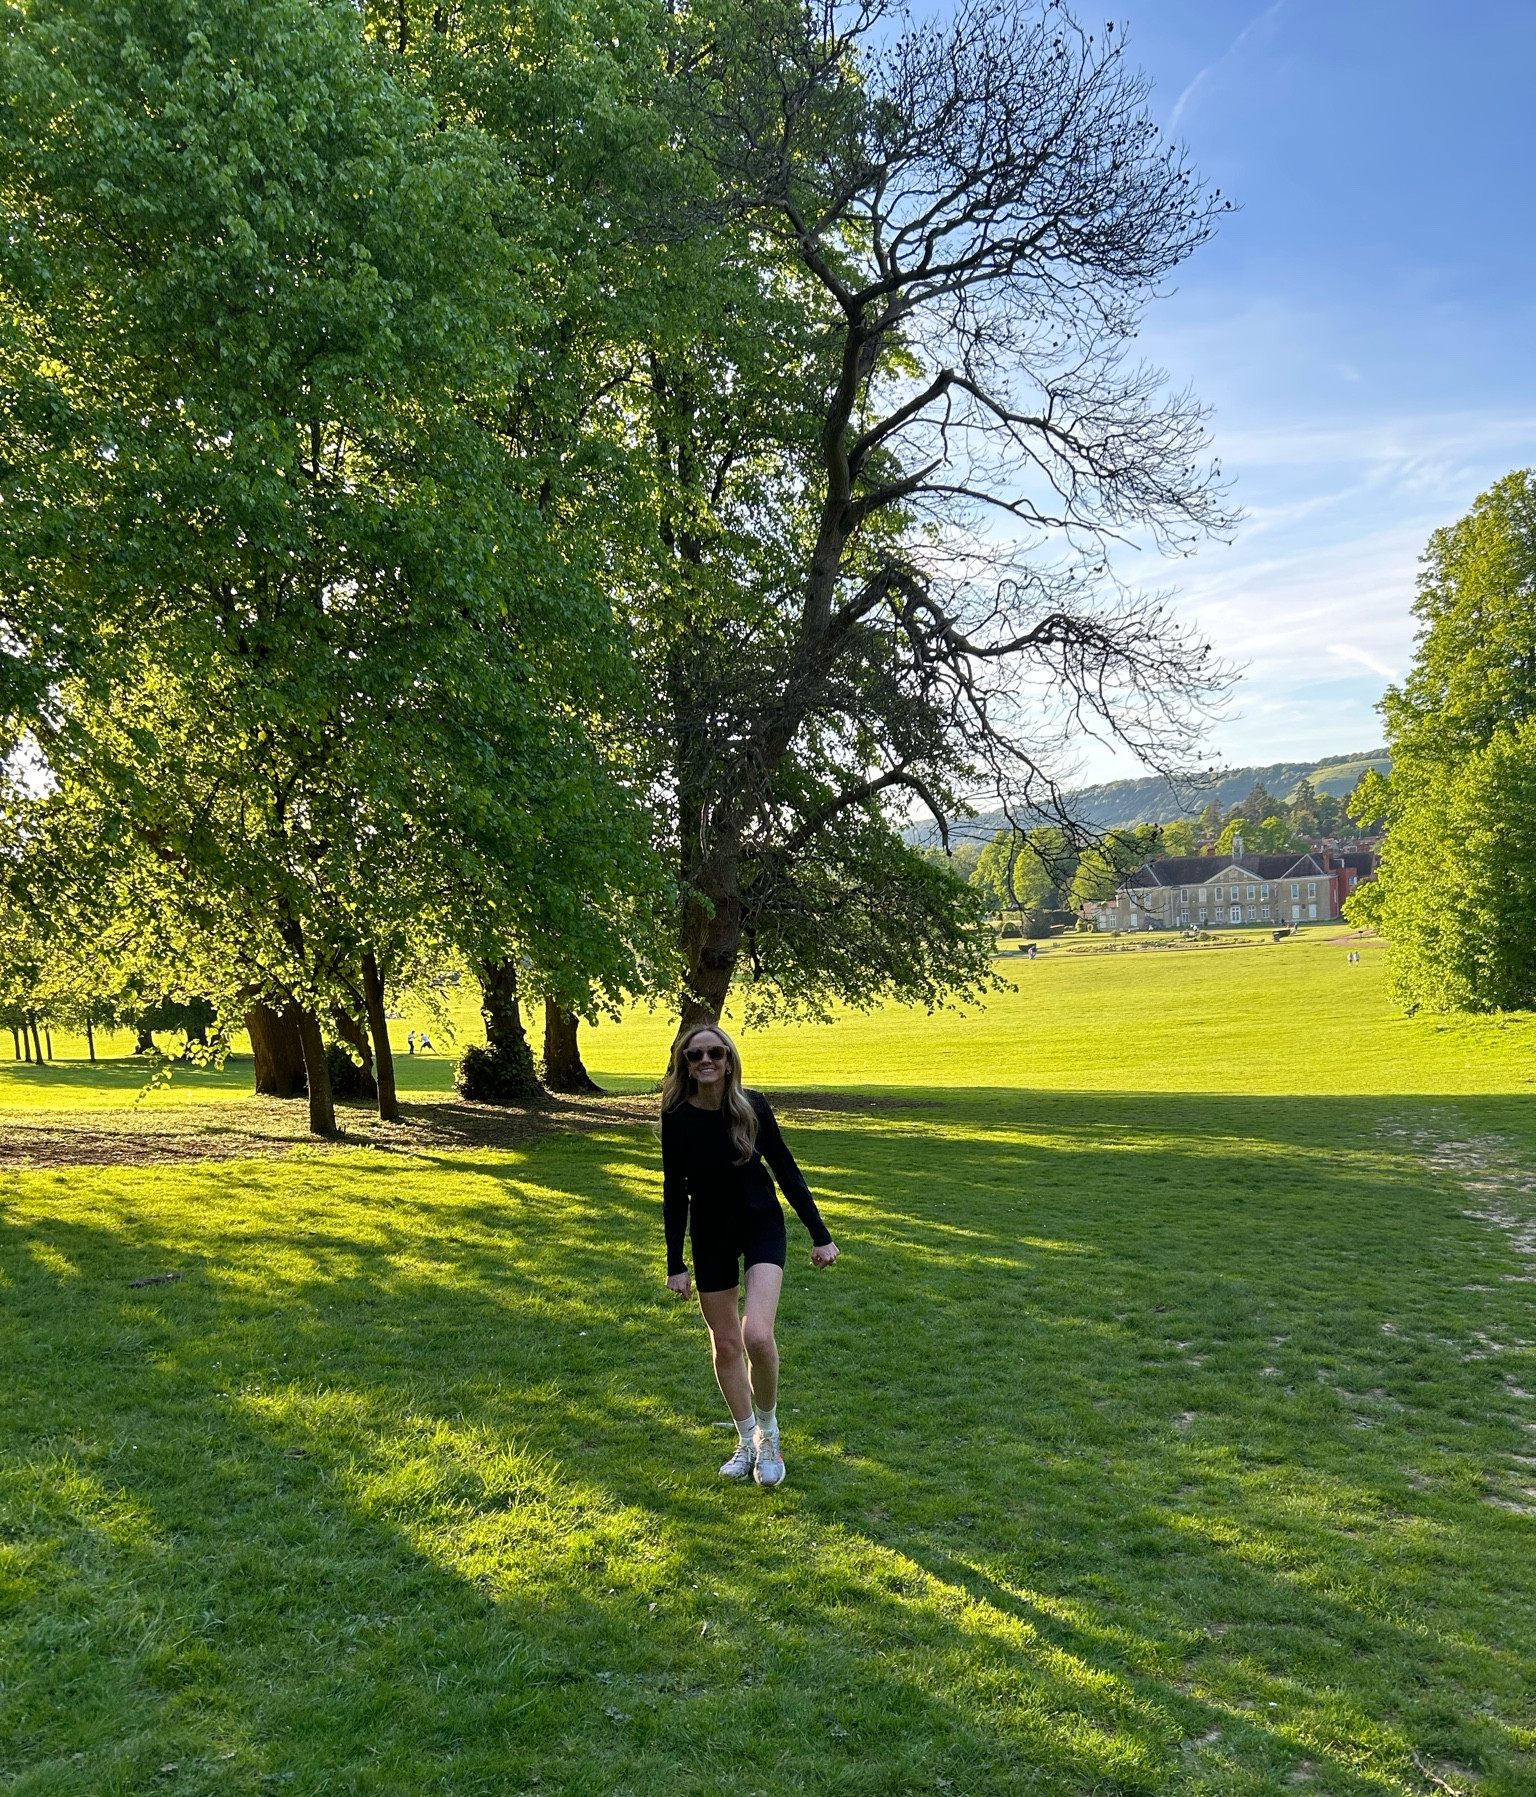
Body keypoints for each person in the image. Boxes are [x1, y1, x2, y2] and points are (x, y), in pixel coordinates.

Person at [660, 1023, 839, 1487]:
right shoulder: (676, 1115)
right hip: (709, 1235)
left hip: (761, 1225)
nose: (706, 1061)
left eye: (715, 1053)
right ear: (685, 1062)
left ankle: (769, 1437)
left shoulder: (752, 1106)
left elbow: (786, 1170)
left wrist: (820, 1235)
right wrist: (675, 1262)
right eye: (695, 1054)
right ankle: (745, 1440)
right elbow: (674, 1192)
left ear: (728, 1058)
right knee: (726, 1344)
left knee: (757, 1336)